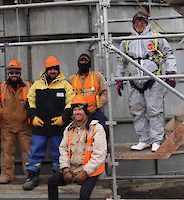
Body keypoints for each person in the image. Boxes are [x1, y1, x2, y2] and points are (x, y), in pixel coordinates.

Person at [115, 11, 177, 152]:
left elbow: (169, 54)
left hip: (153, 80)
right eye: (137, 22)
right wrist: (119, 78)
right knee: (137, 111)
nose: (140, 24)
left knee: (154, 111)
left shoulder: (156, 38)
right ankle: (144, 139)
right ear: (133, 24)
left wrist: (171, 73)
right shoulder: (127, 41)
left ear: (147, 23)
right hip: (134, 82)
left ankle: (156, 140)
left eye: (142, 22)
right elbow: (120, 61)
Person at [23, 56, 75, 191]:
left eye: (55, 69)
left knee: (59, 152)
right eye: (50, 69)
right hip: (39, 126)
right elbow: (29, 101)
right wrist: (33, 116)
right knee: (35, 152)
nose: (52, 71)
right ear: (46, 70)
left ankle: (58, 176)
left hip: (58, 127)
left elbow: (71, 102)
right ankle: (32, 176)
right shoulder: (37, 84)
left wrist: (63, 117)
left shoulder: (65, 85)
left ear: (58, 70)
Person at [47, 94, 107, 200]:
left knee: (84, 196)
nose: (77, 112)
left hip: (90, 171)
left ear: (85, 111)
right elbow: (63, 149)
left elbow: (100, 154)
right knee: (52, 181)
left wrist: (85, 172)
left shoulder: (96, 128)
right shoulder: (69, 128)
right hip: (72, 169)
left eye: (80, 109)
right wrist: (65, 169)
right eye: (75, 110)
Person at [0, 60, 32, 184]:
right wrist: (1, 112)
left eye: (16, 73)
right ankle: (6, 175)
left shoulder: (28, 86)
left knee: (28, 152)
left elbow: (33, 102)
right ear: (8, 74)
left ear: (20, 74)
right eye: (11, 73)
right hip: (7, 126)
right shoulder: (2, 87)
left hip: (24, 126)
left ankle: (30, 174)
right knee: (6, 152)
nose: (14, 75)